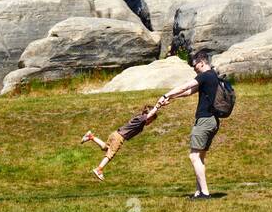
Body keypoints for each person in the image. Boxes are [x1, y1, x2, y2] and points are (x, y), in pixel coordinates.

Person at [158, 50, 222, 200]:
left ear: (202, 62)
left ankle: (205, 193)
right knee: (200, 157)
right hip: (213, 120)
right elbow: (188, 93)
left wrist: (165, 95)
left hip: (205, 120)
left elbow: (185, 87)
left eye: (195, 66)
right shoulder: (213, 76)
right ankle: (199, 191)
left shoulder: (205, 75)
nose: (194, 69)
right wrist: (172, 98)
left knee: (194, 156)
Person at [82, 102, 163, 181]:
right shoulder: (142, 119)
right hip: (119, 137)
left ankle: (90, 137)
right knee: (111, 153)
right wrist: (158, 106)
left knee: (106, 148)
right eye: (151, 120)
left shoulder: (139, 118)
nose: (151, 122)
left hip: (115, 134)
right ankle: (99, 169)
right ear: (148, 117)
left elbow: (150, 115)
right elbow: (150, 114)